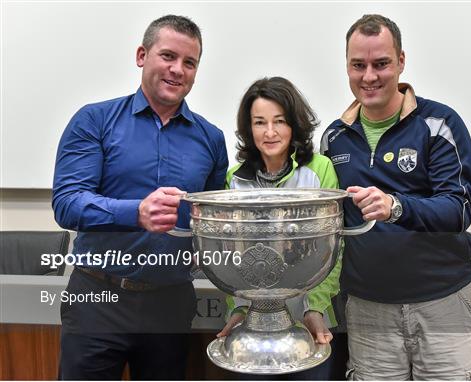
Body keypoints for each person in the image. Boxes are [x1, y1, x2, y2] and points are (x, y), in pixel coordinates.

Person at [52, 15, 228, 380]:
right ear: (141, 55)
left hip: (170, 302)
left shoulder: (212, 139)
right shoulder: (94, 120)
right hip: (97, 297)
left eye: (189, 62)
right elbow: (67, 203)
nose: (178, 69)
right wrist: (137, 212)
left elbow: (209, 217)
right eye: (168, 56)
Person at [321, 14, 471, 380]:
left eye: (381, 64)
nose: (369, 76)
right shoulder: (333, 137)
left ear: (401, 61)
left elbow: (458, 209)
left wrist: (396, 206)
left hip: (442, 301)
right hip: (368, 308)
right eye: (358, 65)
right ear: (347, 67)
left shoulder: (440, 124)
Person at [217, 76, 341, 380]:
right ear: (249, 128)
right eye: (259, 122)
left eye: (280, 122)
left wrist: (316, 309)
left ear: (294, 125)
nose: (269, 132)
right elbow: (226, 255)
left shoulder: (320, 170)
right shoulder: (234, 178)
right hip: (250, 328)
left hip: (308, 323)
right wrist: (238, 309)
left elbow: (333, 250)